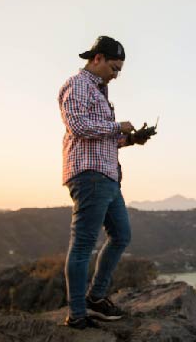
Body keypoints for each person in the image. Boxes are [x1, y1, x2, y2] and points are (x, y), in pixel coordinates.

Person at [58, 36, 147, 329]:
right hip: (90, 174)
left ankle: (95, 298)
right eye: (114, 67)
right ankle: (77, 314)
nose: (116, 75)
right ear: (97, 58)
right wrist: (116, 126)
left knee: (121, 236)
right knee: (83, 244)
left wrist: (131, 139)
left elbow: (103, 139)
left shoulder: (98, 90)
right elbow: (78, 126)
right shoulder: (77, 85)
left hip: (108, 176)